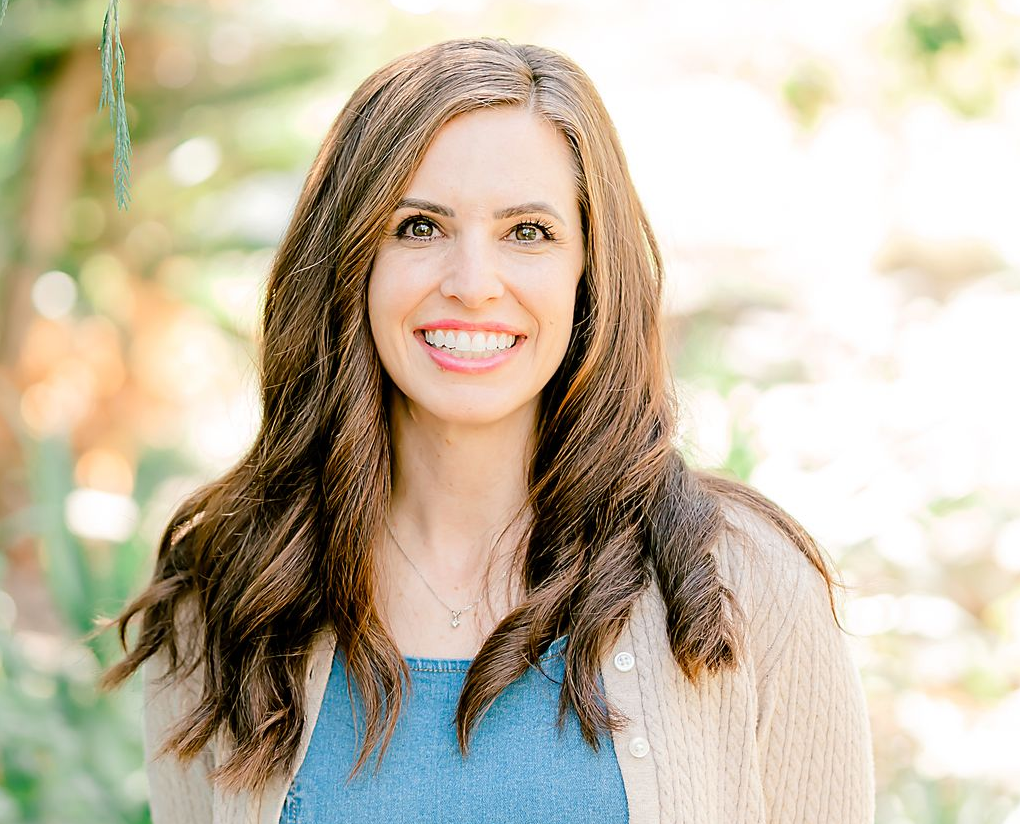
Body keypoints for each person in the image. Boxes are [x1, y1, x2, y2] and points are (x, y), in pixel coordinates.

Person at [99, 37, 875, 824]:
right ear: (349, 260)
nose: (472, 285)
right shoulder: (232, 598)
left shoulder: (742, 587)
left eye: (528, 233)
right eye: (419, 227)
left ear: (590, 272)